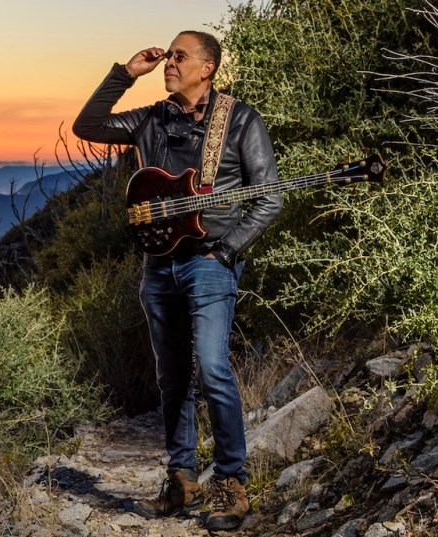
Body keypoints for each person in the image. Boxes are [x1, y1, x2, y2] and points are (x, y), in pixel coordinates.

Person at [72, 31, 282, 531]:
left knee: (211, 367)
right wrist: (125, 73)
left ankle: (231, 483)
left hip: (210, 261)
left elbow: (270, 198)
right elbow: (88, 125)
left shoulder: (240, 120)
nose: (170, 62)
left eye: (179, 56)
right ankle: (180, 480)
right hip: (157, 266)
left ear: (207, 67)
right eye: (168, 54)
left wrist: (227, 249)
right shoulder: (152, 117)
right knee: (172, 377)